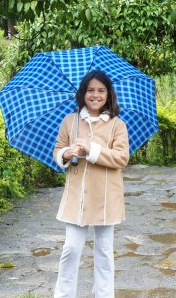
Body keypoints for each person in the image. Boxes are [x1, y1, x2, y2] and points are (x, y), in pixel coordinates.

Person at [52, 70, 129, 298]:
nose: (95, 95)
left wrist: (91, 149)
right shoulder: (70, 121)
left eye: (101, 90)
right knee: (71, 249)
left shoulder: (117, 125)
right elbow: (58, 150)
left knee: (104, 252)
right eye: (90, 90)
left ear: (108, 94)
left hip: (107, 197)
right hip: (78, 196)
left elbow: (121, 158)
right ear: (83, 92)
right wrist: (67, 153)